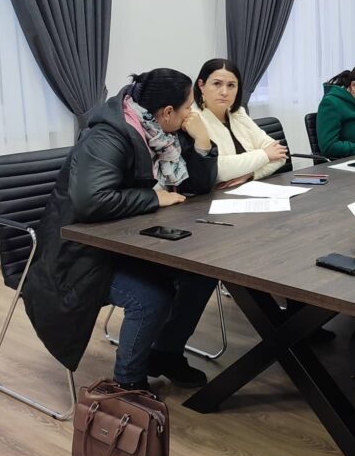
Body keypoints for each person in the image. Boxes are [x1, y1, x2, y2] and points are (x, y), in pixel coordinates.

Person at [22, 69, 219, 393]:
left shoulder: (164, 134)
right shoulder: (107, 137)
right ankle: (128, 383)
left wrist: (202, 142)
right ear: (167, 111)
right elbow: (91, 201)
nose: (192, 114)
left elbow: (197, 186)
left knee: (202, 274)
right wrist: (154, 198)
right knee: (151, 298)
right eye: (188, 107)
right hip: (79, 255)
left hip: (129, 241)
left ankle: (166, 353)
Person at [193, 58, 288, 185]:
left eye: (231, 85)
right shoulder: (194, 119)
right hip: (216, 195)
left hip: (250, 189)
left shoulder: (238, 114)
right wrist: (264, 154)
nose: (224, 92)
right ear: (201, 85)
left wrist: (251, 174)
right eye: (217, 84)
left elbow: (280, 154)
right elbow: (217, 169)